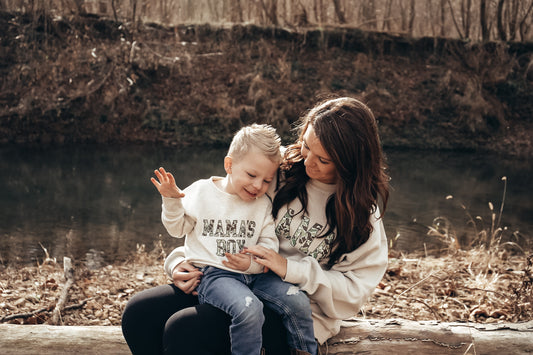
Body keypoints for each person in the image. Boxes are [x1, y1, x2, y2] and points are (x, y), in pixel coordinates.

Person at [122, 97, 390, 354]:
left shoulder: (361, 217)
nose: (307, 161)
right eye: (307, 146)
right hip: (232, 276)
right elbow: (218, 209)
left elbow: (354, 292)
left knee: (184, 329)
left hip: (294, 309)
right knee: (140, 314)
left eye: (323, 160)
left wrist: (290, 269)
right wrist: (180, 261)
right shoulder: (279, 168)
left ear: (350, 162)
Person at [140, 123, 317, 355]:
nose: (258, 186)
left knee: (298, 302)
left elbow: (268, 244)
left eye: (266, 180)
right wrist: (172, 201)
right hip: (216, 275)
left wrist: (252, 264)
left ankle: (304, 351)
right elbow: (177, 228)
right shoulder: (201, 192)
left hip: (257, 277)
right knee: (249, 308)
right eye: (252, 175)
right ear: (229, 165)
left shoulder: (263, 204)